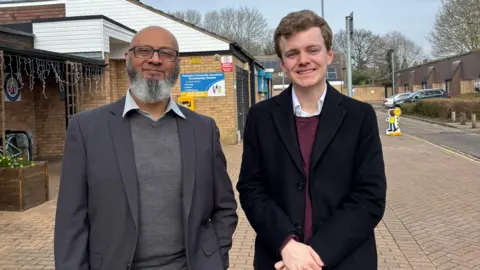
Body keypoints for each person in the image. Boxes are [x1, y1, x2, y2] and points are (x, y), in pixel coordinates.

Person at [54, 26, 238, 270]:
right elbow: (71, 219)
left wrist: (214, 257)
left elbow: (225, 207)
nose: (155, 59)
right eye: (144, 51)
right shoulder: (86, 129)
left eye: (166, 53)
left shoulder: (203, 129)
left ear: (177, 64)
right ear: (127, 58)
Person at [236, 10, 386, 270]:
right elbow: (252, 189)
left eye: (312, 50)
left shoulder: (360, 116)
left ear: (329, 54)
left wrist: (312, 256)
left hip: (346, 260)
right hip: (280, 259)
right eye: (292, 53)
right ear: (282, 63)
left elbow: (369, 197)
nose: (303, 60)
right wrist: (287, 245)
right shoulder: (260, 117)